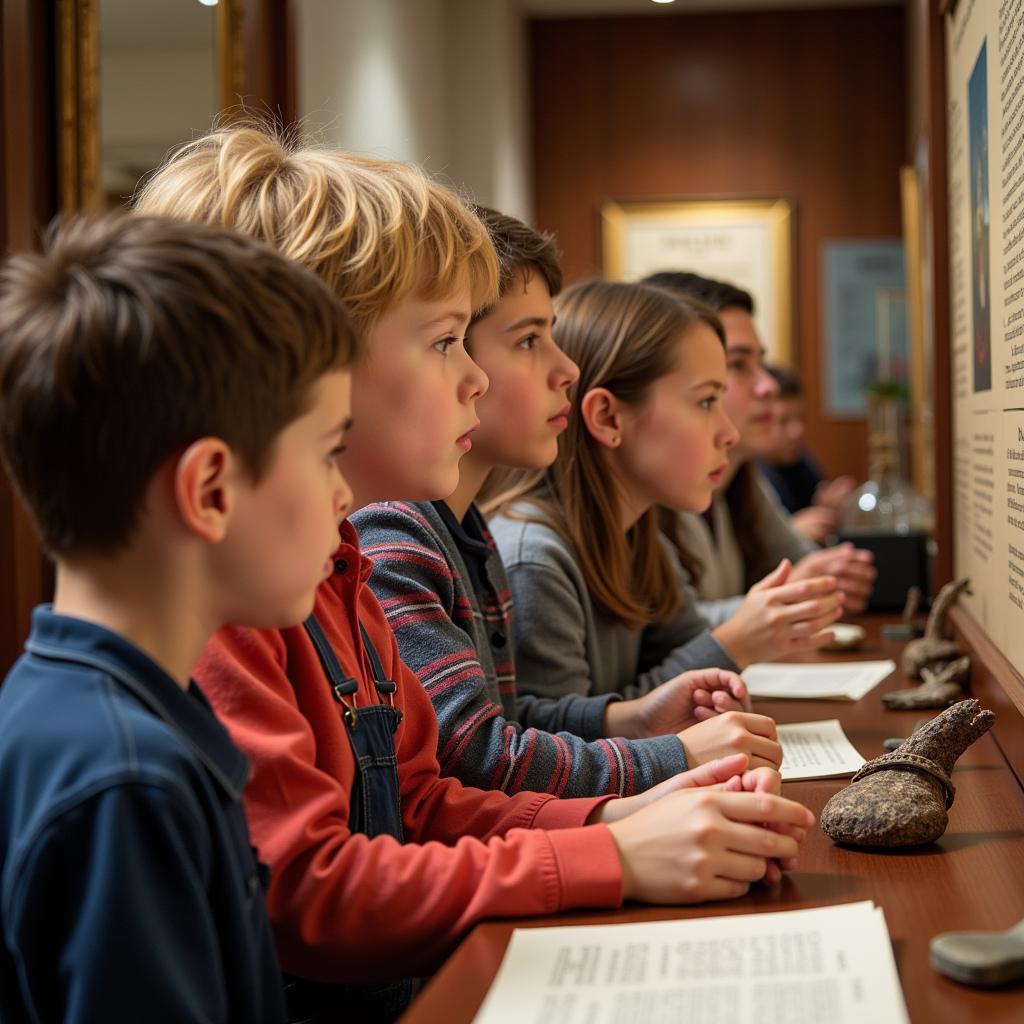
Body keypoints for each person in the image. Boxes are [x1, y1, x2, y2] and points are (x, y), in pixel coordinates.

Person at [135, 125, 815, 1023]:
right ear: (309, 363)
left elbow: (421, 799)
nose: (473, 382)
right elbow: (305, 891)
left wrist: (622, 823)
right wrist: (616, 846)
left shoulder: (338, 573)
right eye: (447, 341)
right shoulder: (253, 600)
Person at [0, 213, 361, 1023]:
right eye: (329, 452)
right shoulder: (128, 782)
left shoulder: (95, 707)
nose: (344, 497)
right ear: (210, 491)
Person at [353, 208, 763, 799]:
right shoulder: (398, 531)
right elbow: (477, 761)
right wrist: (667, 755)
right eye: (527, 341)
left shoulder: (467, 531)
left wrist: (630, 720)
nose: (565, 368)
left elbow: (511, 722)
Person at [486, 279, 844, 719]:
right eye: (706, 401)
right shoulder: (535, 559)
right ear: (608, 417)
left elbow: (677, 669)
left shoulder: (641, 535)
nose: (728, 433)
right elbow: (555, 738)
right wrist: (735, 643)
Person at [643, 271, 876, 623]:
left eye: (761, 363)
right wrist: (787, 595)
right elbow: (662, 635)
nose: (768, 386)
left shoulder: (744, 480)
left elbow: (802, 566)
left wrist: (832, 576)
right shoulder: (644, 496)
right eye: (738, 364)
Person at [760, 364, 856, 544]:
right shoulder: (750, 473)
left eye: (800, 419)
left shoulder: (799, 459)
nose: (798, 431)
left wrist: (828, 509)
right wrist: (790, 531)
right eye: (783, 421)